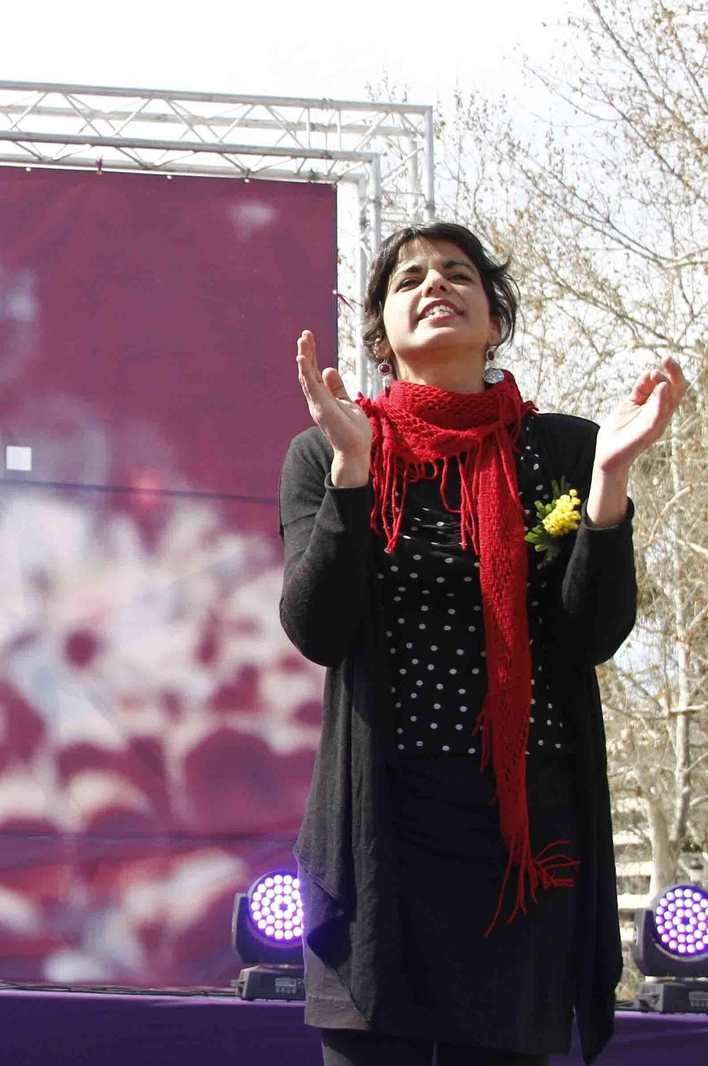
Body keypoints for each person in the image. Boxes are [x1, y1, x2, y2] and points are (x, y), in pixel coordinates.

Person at [280, 220, 685, 1066]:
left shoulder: (567, 449)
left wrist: (609, 486)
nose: (436, 286)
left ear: (494, 319)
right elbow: (318, 630)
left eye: (458, 273)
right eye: (410, 279)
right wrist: (355, 479)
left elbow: (591, 636)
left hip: (523, 844)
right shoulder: (329, 451)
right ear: (382, 337)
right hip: (381, 835)